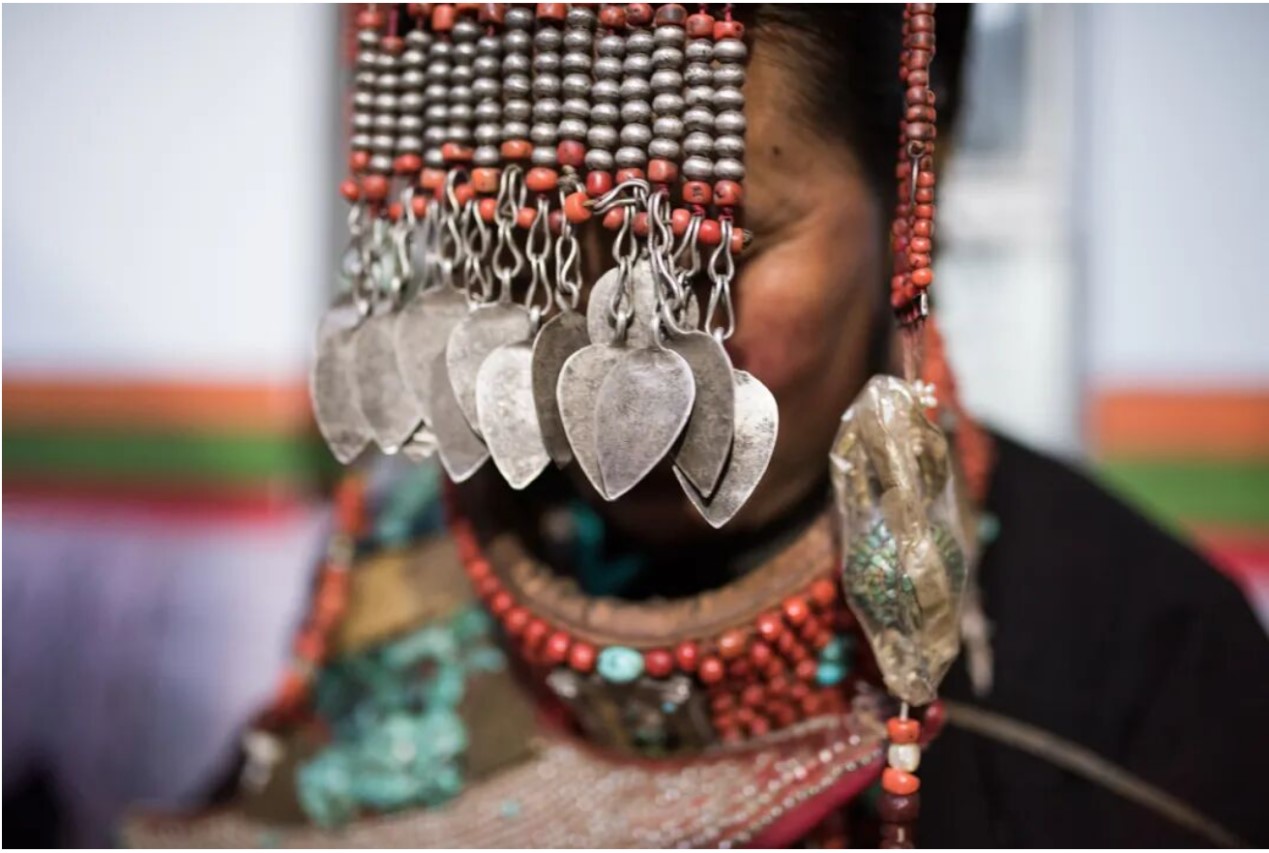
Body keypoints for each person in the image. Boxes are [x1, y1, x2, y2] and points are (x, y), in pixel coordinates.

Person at [129, 4, 1269, 847]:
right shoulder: (394, 558)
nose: (602, 339)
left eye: (714, 249)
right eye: (538, 234)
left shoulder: (1144, 659)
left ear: (913, 182)